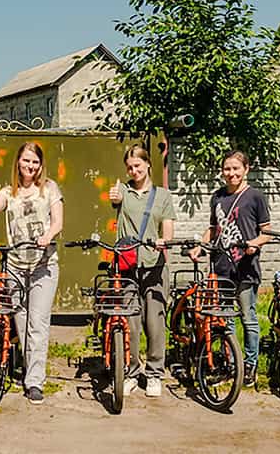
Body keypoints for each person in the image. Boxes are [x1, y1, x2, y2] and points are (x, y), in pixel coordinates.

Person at [0, 142, 64, 405]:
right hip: (16, 265)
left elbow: (58, 221)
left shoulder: (50, 189)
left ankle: (35, 382)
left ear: (40, 165)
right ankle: (27, 368)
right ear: (18, 163)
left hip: (43, 266)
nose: (30, 166)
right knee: (22, 324)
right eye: (26, 161)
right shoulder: (9, 192)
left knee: (38, 324)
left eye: (35, 162)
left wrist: (48, 235)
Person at [191, 150, 272, 388]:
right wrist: (200, 246)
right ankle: (230, 364)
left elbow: (266, 232)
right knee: (225, 320)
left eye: (236, 168)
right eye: (227, 169)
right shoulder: (217, 197)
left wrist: (253, 245)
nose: (231, 173)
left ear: (246, 169)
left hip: (245, 267)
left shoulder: (255, 196)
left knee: (248, 317)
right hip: (221, 267)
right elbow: (214, 229)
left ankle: (250, 366)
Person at [108, 144, 175, 398]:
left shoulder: (162, 196)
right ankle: (132, 372)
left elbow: (168, 227)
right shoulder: (123, 190)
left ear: (148, 165)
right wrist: (115, 196)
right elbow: (115, 197)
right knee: (131, 323)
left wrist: (164, 241)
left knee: (155, 322)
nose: (134, 170)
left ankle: (155, 373)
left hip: (154, 264)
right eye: (129, 167)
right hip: (127, 264)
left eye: (137, 166)